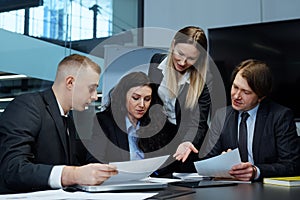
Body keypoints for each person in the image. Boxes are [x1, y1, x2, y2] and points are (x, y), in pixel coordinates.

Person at [0, 54, 117, 194]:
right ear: (70, 83)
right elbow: (12, 169)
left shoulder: (68, 119)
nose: (94, 96)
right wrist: (72, 175)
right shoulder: (27, 106)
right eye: (91, 88)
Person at [199, 59, 300, 181]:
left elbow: (291, 165)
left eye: (246, 92)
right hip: (229, 189)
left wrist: (256, 171)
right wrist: (219, 162)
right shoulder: (221, 116)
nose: (236, 96)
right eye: (235, 87)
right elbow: (206, 161)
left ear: (261, 97)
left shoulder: (280, 117)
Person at [148, 26, 211, 166]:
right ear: (173, 45)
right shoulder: (157, 62)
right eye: (180, 54)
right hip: (164, 137)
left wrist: (188, 142)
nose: (183, 62)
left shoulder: (205, 79)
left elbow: (198, 121)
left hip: (191, 143)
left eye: (191, 58)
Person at [86, 72, 168, 163]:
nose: (142, 105)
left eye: (147, 99)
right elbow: (94, 160)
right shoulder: (105, 121)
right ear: (123, 97)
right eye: (136, 98)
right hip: (117, 176)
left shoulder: (155, 122)